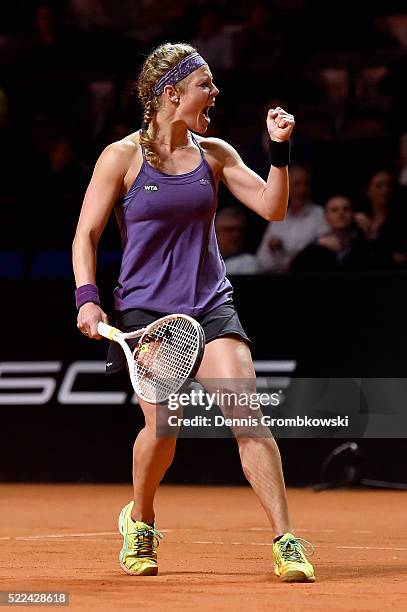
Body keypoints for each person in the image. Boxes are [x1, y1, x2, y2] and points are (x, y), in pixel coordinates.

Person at [72, 42, 315, 582]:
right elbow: (85, 234)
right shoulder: (121, 157)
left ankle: (286, 539)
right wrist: (87, 298)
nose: (215, 93)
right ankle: (142, 519)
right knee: (163, 426)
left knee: (247, 418)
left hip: (210, 306)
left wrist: (278, 150)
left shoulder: (215, 153)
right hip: (147, 315)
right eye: (205, 84)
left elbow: (272, 207)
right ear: (171, 92)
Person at [256, 164, 328, 273]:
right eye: (297, 184)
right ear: (287, 187)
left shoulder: (319, 214)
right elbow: (261, 261)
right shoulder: (277, 218)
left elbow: (322, 252)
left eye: (306, 184)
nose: (302, 190)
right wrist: (272, 249)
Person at [215, 207, 259, 274]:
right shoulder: (202, 260)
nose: (236, 235)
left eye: (240, 231)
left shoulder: (247, 262)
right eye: (229, 230)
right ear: (215, 232)